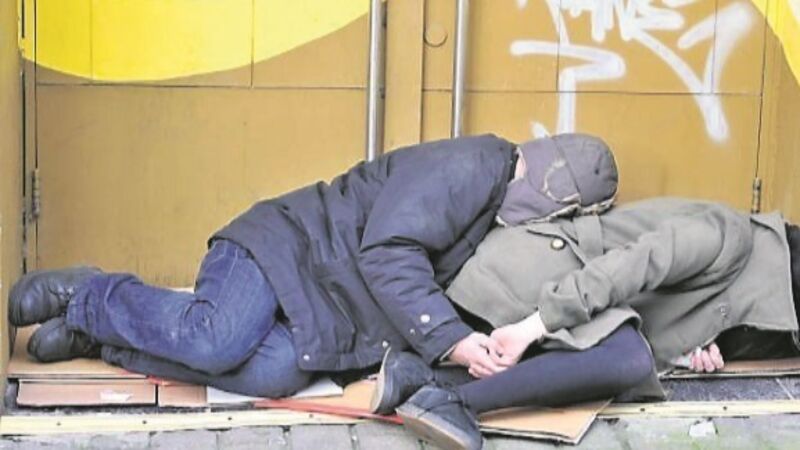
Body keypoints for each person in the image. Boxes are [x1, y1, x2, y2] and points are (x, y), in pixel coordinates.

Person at [8, 133, 620, 398]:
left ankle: (102, 339)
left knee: (271, 375)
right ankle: (88, 294)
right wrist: (452, 340)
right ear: (553, 195)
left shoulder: (491, 204)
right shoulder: (474, 166)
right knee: (216, 339)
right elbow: (387, 252)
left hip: (322, 300)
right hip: (284, 247)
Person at [371, 179, 800, 450]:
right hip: (548, 266)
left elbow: (656, 326)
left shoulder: (766, 300)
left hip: (581, 301)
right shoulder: (728, 234)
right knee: (627, 358)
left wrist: (690, 348)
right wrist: (534, 326)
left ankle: (419, 375)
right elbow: (626, 269)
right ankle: (452, 401)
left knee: (626, 357)